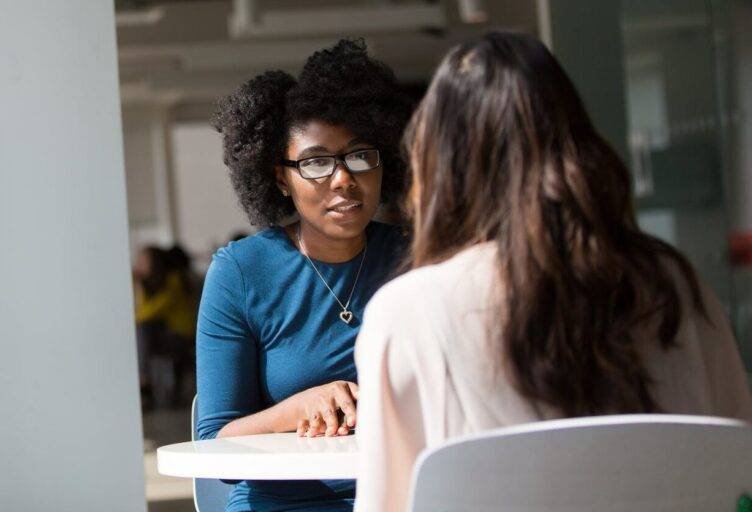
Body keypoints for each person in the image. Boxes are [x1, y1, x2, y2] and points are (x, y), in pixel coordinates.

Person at [353, 31, 752, 512]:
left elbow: (385, 504)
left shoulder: (409, 313)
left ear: (441, 165)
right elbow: (737, 466)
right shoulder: (674, 285)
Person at [197, 39, 411, 511]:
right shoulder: (241, 273)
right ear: (279, 178)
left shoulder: (416, 259)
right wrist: (296, 409)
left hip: (401, 497)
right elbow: (214, 448)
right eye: (316, 162)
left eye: (359, 155)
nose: (342, 178)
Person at [133, 245, 198, 407]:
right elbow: (144, 311)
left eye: (142, 261)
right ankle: (143, 381)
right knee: (143, 331)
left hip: (183, 337)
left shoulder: (173, 282)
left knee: (143, 330)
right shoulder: (152, 285)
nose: (138, 264)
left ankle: (143, 380)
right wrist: (140, 286)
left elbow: (149, 312)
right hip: (167, 335)